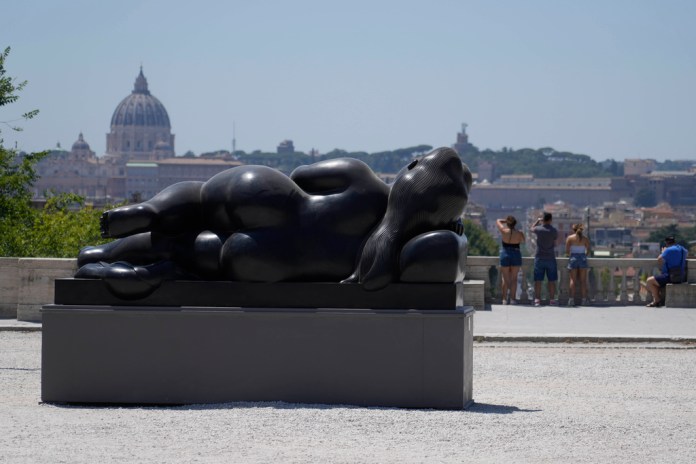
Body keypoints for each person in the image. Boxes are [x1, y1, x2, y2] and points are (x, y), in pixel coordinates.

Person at [645, 235, 688, 308]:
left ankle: (657, 300)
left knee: (649, 281)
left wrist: (663, 252)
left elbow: (659, 259)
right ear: (674, 242)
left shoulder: (668, 250)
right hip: (681, 276)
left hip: (671, 276)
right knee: (656, 280)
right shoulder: (683, 250)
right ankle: (657, 300)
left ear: (666, 243)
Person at [530, 212, 558, 306]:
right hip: (550, 257)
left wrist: (537, 221)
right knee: (551, 280)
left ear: (543, 219)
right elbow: (555, 239)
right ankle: (552, 300)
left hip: (539, 257)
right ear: (550, 220)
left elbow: (531, 228)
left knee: (538, 280)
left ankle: (537, 299)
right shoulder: (554, 230)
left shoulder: (539, 229)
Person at [496, 216, 525, 304]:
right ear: (515, 223)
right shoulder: (519, 233)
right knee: (514, 279)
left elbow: (498, 220)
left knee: (505, 278)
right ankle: (512, 299)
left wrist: (506, 221)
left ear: (508, 223)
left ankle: (504, 299)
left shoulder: (504, 231)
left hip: (505, 253)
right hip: (516, 254)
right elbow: (523, 241)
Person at [565, 223, 591, 307]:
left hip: (573, 258)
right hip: (582, 258)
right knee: (583, 281)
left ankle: (571, 300)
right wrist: (584, 256)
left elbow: (567, 251)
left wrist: (571, 256)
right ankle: (584, 300)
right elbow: (588, 250)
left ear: (573, 230)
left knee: (573, 280)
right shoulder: (585, 239)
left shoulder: (570, 238)